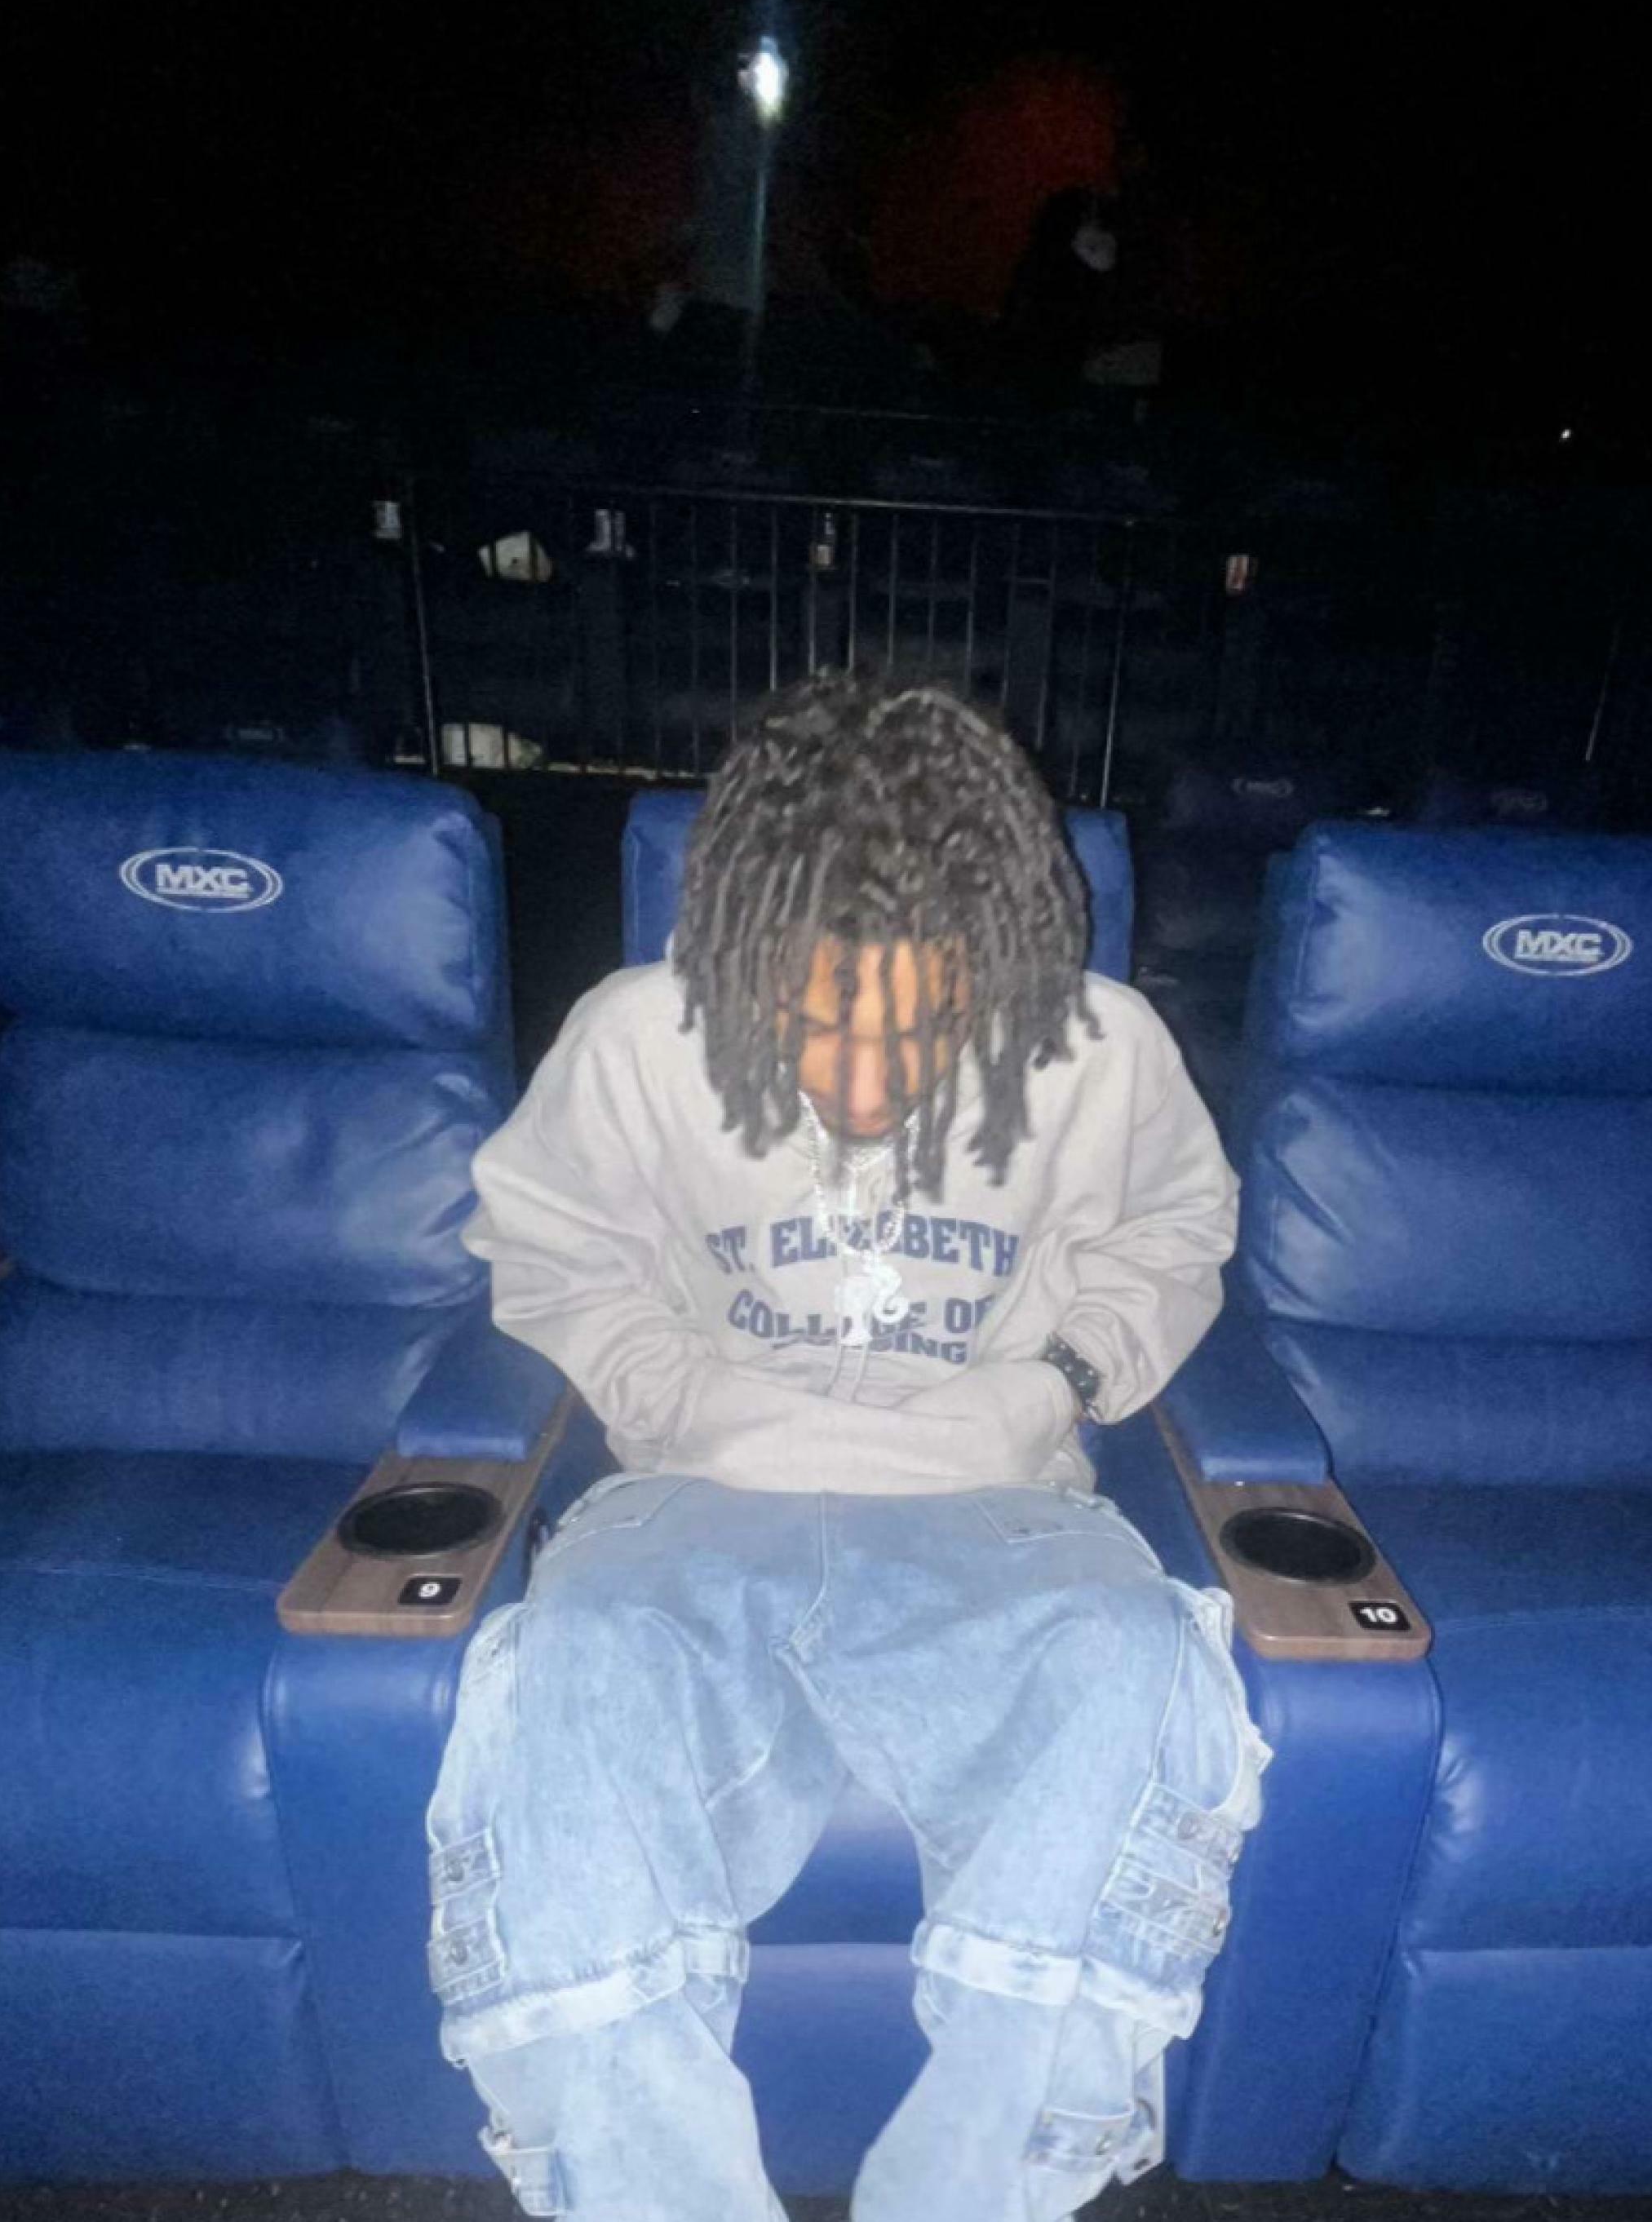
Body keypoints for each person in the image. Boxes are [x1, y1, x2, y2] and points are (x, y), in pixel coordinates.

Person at [425, 671, 1268, 2222]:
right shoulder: (634, 1039)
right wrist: (671, 1390)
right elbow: (548, 1253)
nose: (864, 1087)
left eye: (926, 1032)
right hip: (694, 1491)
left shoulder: (1107, 1050)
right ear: (740, 961)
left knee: (1133, 1660)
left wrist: (1061, 1379)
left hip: (998, 1500)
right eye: (813, 1026)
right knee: (571, 1674)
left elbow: (1175, 1236)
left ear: (997, 968)